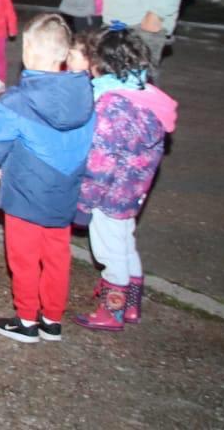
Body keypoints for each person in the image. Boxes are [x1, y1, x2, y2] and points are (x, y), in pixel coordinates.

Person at [0, 13, 96, 343]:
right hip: (64, 189)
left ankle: (27, 319)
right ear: (63, 53)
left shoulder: (15, 101)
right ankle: (52, 319)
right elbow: (89, 140)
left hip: (26, 189)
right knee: (57, 256)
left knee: (24, 257)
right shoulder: (86, 95)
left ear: (29, 50)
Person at [73, 25, 179, 332]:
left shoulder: (111, 105)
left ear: (101, 64)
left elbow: (100, 162)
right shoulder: (147, 98)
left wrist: (86, 201)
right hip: (134, 189)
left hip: (109, 194)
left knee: (108, 251)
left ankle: (112, 309)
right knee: (124, 241)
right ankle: (131, 301)